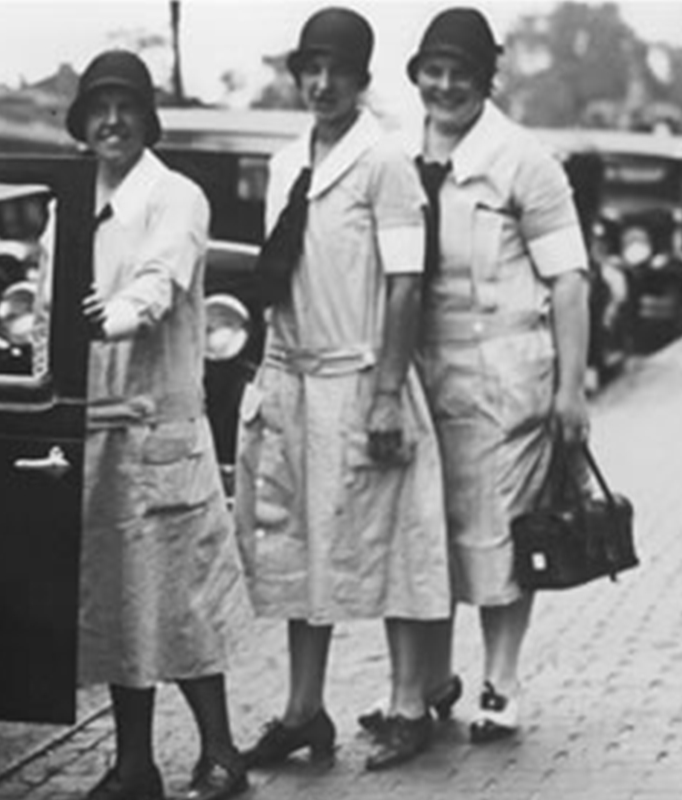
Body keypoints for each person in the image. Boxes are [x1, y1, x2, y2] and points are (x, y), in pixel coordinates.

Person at [233, 7, 451, 772]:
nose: (322, 84)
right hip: (293, 379)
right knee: (297, 548)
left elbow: (404, 284)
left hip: (363, 381)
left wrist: (388, 392)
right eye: (312, 69)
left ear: (362, 81)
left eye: (339, 72)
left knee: (390, 545)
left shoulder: (386, 162)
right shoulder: (286, 159)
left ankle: (407, 704)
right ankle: (302, 710)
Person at [371, 6, 590, 744]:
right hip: (419, 377)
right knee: (421, 534)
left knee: (498, 537)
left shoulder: (525, 161)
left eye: (459, 74)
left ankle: (501, 684)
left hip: (503, 381)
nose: (444, 86)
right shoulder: (396, 155)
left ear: (485, 79)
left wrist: (570, 391)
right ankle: (429, 684)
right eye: (432, 72)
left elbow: (570, 282)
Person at [39, 49, 253, 800]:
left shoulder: (178, 197)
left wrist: (115, 316)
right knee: (121, 609)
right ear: (81, 119)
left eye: (126, 106)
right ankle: (134, 767)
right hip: (93, 433)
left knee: (182, 600)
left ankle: (222, 753)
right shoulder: (67, 201)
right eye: (98, 107)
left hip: (160, 430)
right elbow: (43, 310)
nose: (112, 121)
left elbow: (159, 283)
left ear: (146, 116)